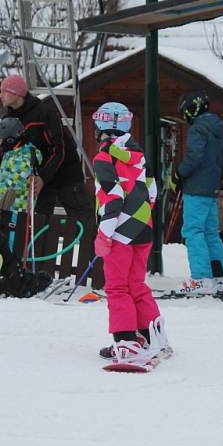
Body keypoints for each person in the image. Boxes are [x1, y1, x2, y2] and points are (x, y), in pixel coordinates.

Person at [92, 102, 171, 369]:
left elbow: (112, 197)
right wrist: (138, 218)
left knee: (117, 287)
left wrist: (104, 234)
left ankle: (126, 342)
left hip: (118, 232)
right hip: (142, 229)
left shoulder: (104, 158)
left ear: (100, 127)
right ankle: (152, 337)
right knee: (136, 284)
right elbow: (152, 192)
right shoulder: (138, 156)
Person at [0, 75, 93, 232]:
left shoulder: (45, 113)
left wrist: (43, 176)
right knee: (39, 227)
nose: (0, 96)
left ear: (16, 93)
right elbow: (0, 148)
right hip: (38, 182)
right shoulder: (9, 118)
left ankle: (96, 255)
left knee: (84, 222)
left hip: (64, 176)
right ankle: (38, 256)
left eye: (3, 91)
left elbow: (59, 149)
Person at [173, 90, 223, 295]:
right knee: (210, 232)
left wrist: (179, 173)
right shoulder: (217, 129)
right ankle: (220, 277)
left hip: (196, 188)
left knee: (193, 231)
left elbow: (194, 156)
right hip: (211, 187)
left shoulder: (198, 129)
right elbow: (222, 160)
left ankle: (201, 279)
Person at [0, 118, 43, 212]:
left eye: (1, 140)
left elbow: (11, 187)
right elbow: (7, 176)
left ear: (10, 140)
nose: (0, 144)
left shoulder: (25, 157)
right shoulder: (11, 153)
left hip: (19, 212)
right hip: (7, 208)